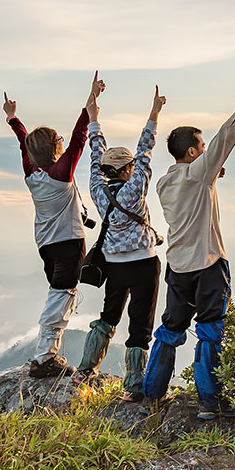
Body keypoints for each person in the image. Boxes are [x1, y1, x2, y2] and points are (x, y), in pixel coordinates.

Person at [142, 75, 235, 420]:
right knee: (211, 332)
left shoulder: (165, 183)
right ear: (193, 152)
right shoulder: (199, 174)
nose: (205, 147)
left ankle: (151, 393)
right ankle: (210, 404)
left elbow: (199, 175)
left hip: (178, 267)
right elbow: (223, 141)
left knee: (170, 330)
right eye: (200, 145)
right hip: (208, 263)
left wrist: (211, 174)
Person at [3, 72, 104, 378]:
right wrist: (91, 103)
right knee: (63, 295)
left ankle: (47, 353)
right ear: (56, 149)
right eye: (58, 140)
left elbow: (24, 143)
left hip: (46, 245)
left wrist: (13, 118)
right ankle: (45, 357)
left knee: (60, 291)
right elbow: (79, 137)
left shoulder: (31, 174)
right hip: (68, 245)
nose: (64, 142)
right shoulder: (61, 176)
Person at [74, 84, 168, 400]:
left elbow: (94, 152)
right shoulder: (135, 188)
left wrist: (93, 116)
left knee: (108, 316)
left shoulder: (98, 191)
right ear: (128, 170)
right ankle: (133, 386)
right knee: (140, 325)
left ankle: (85, 370)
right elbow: (146, 150)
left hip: (114, 267)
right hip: (144, 264)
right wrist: (154, 113)